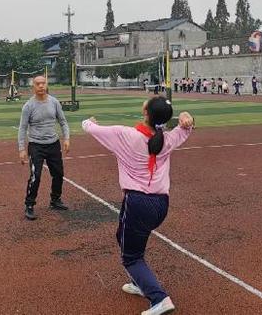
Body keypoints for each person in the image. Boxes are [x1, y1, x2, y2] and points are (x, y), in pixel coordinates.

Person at [82, 97, 195, 315]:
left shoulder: (125, 135)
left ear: (145, 111)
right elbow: (185, 129)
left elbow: (90, 128)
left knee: (131, 257)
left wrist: (89, 121)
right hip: (161, 204)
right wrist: (187, 119)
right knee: (122, 237)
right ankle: (138, 282)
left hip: (138, 203)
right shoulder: (168, 139)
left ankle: (158, 299)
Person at [18, 75, 70, 221]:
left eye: (43, 83)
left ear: (46, 85)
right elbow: (22, 128)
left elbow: (63, 122)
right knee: (36, 176)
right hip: (36, 146)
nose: (41, 86)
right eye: (37, 84)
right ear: (33, 87)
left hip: (53, 144)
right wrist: (21, 149)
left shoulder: (54, 102)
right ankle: (29, 204)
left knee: (58, 174)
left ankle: (55, 200)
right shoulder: (28, 106)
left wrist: (66, 138)